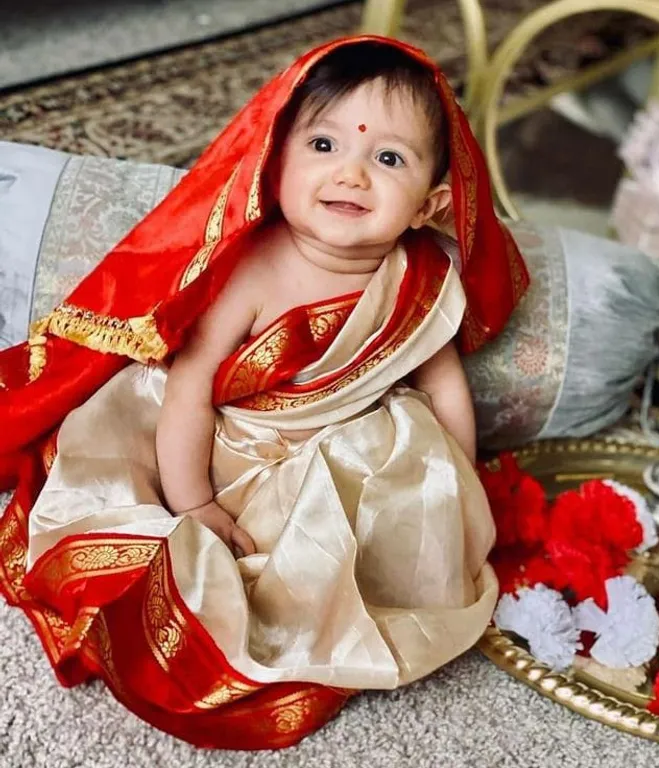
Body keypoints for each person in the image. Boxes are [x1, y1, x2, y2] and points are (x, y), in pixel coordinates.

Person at [0, 36, 529, 750]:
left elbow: (443, 386)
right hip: (219, 442)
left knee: (405, 455)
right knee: (177, 547)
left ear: (430, 204)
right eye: (322, 143)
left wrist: (458, 494)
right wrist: (194, 503)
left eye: (388, 158)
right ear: (274, 160)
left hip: (328, 454)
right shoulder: (255, 269)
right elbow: (189, 388)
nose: (352, 173)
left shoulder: (423, 281)